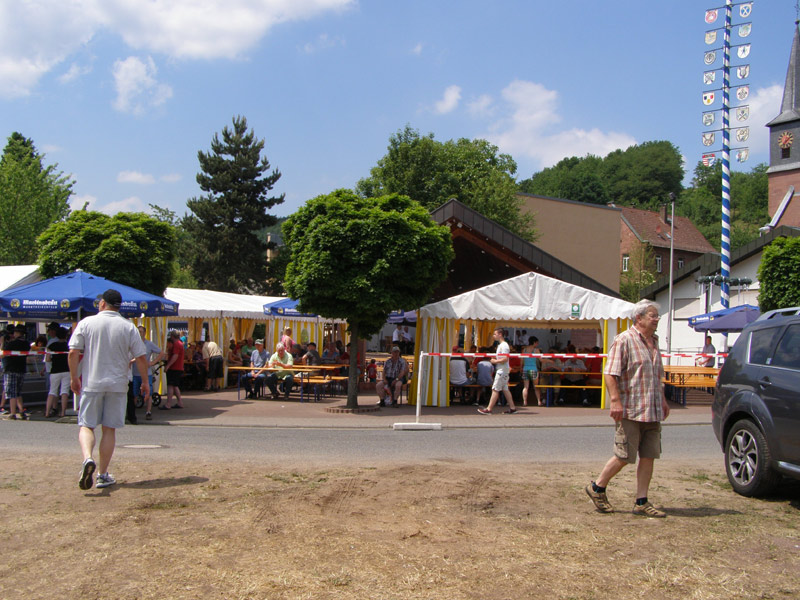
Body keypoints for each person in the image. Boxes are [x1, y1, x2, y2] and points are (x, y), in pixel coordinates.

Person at [585, 299, 671, 518]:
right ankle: (597, 487)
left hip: (652, 409)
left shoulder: (655, 341)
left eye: (657, 316)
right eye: (652, 315)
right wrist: (615, 401)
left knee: (649, 455)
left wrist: (662, 399)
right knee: (624, 456)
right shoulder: (624, 340)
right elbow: (610, 372)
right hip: (631, 409)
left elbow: (656, 375)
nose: (656, 319)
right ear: (639, 318)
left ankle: (642, 501)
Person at [69, 289, 149, 490]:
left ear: (102, 303)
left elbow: (73, 351)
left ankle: (87, 458)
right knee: (109, 429)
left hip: (92, 382)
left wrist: (73, 377)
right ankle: (103, 474)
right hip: (118, 383)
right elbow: (140, 356)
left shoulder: (86, 323)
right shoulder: (128, 326)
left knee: (86, 425)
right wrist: (146, 382)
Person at [478, 328, 518, 414]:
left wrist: (495, 361)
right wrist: (496, 359)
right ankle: (512, 408)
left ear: (500, 334)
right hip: (502, 369)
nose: (493, 336)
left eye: (494, 334)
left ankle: (489, 409)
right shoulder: (500, 345)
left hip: (502, 370)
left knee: (495, 389)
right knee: (505, 389)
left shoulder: (504, 345)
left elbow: (505, 358)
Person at [131, 325, 165, 421]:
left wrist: (153, 363)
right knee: (134, 393)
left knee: (148, 393)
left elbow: (162, 353)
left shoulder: (148, 344)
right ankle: (132, 413)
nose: (139, 333)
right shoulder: (134, 343)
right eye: (138, 331)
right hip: (135, 373)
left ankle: (148, 411)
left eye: (141, 331)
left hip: (147, 373)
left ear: (145, 333)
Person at [3, 325, 30, 420]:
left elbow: (3, 352)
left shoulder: (12, 343)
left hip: (11, 369)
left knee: (11, 392)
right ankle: (21, 410)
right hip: (21, 369)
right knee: (18, 392)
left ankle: (13, 413)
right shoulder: (26, 344)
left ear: (18, 333)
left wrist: (2, 341)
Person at [45, 327, 71, 418]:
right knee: (64, 391)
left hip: (55, 371)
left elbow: (47, 359)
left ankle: (47, 412)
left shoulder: (52, 346)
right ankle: (63, 412)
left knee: (52, 391)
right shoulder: (69, 346)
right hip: (66, 370)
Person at [162, 330, 185, 410]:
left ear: (172, 336)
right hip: (178, 367)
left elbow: (175, 356)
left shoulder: (176, 344)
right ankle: (180, 402)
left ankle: (168, 404)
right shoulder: (180, 343)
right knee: (175, 385)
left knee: (170, 385)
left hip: (174, 368)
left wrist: (168, 365)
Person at [522, 336, 542, 407]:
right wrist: (550, 360)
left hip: (525, 369)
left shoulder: (524, 350)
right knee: (536, 386)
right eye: (537, 343)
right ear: (534, 342)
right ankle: (539, 401)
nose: (537, 344)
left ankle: (525, 401)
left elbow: (522, 361)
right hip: (533, 369)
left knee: (525, 387)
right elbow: (541, 360)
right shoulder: (536, 350)